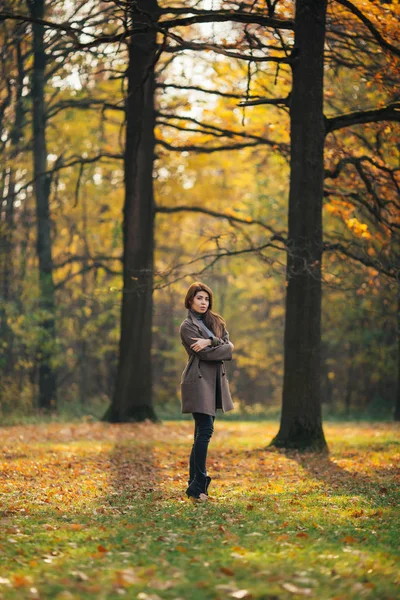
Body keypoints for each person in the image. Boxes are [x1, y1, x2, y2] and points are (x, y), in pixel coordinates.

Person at [179, 281, 234, 502]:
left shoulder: (217, 321)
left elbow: (229, 346)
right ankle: (200, 484)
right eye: (199, 298)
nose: (204, 302)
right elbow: (209, 355)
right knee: (206, 430)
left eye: (206, 298)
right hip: (198, 380)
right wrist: (218, 347)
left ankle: (194, 486)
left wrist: (210, 340)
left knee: (201, 433)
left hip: (215, 381)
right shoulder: (187, 326)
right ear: (190, 300)